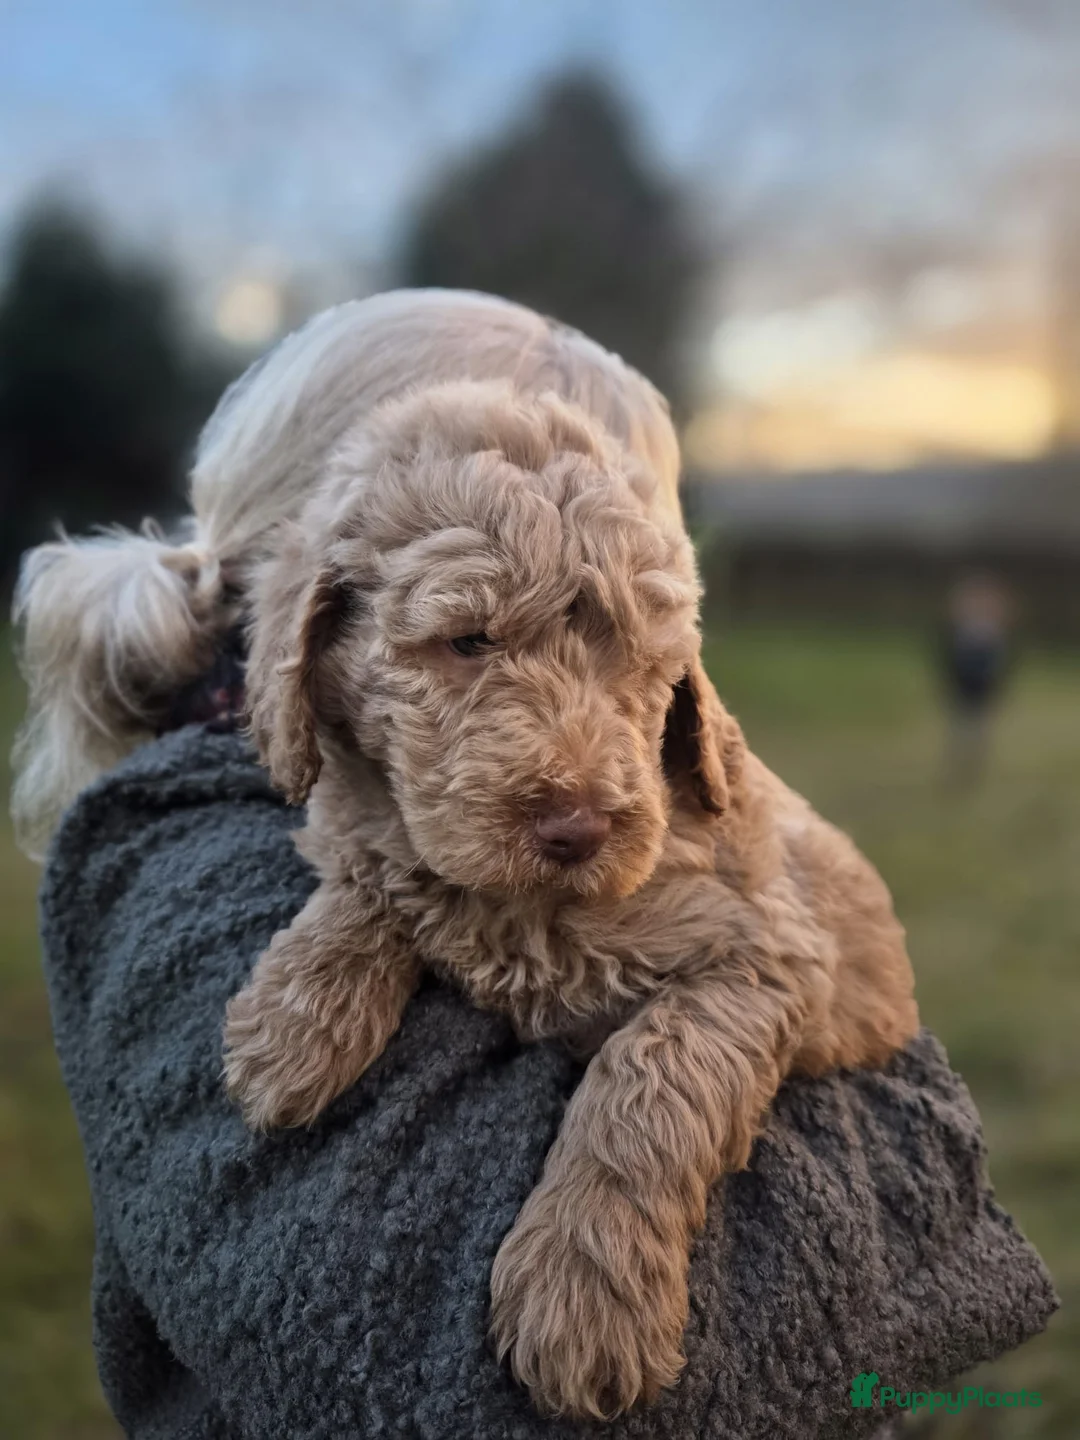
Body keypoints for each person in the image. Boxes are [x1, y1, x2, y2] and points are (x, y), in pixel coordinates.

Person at [19, 294, 1056, 1437]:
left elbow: (806, 1013)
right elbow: (481, 1391)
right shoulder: (182, 858)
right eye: (471, 640)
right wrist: (908, 1159)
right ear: (310, 615)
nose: (579, 783)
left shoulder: (649, 803)